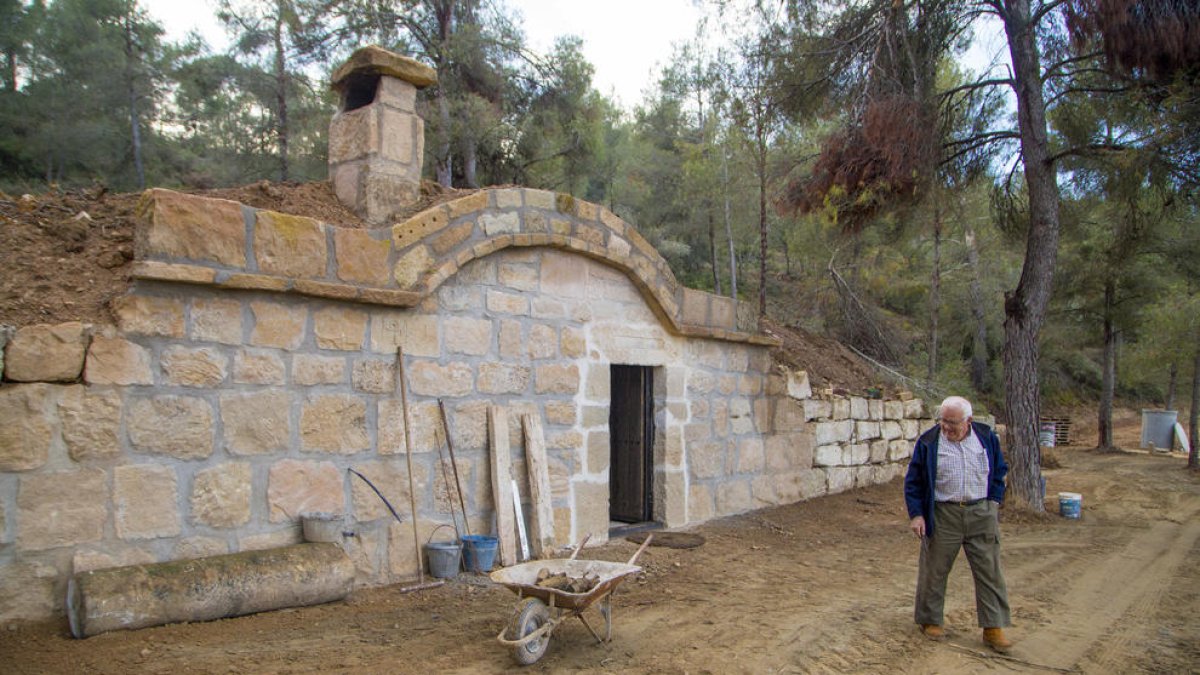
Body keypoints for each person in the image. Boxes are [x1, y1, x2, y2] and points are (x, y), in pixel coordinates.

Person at [903, 395, 1013, 653]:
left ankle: (993, 627)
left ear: (969, 421)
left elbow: (999, 470)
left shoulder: (986, 438)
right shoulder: (929, 442)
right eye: (943, 421)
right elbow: (914, 481)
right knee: (934, 569)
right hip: (944, 514)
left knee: (990, 570)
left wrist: (994, 501)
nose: (946, 427)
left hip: (981, 512)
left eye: (953, 422)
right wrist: (917, 514)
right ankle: (930, 620)